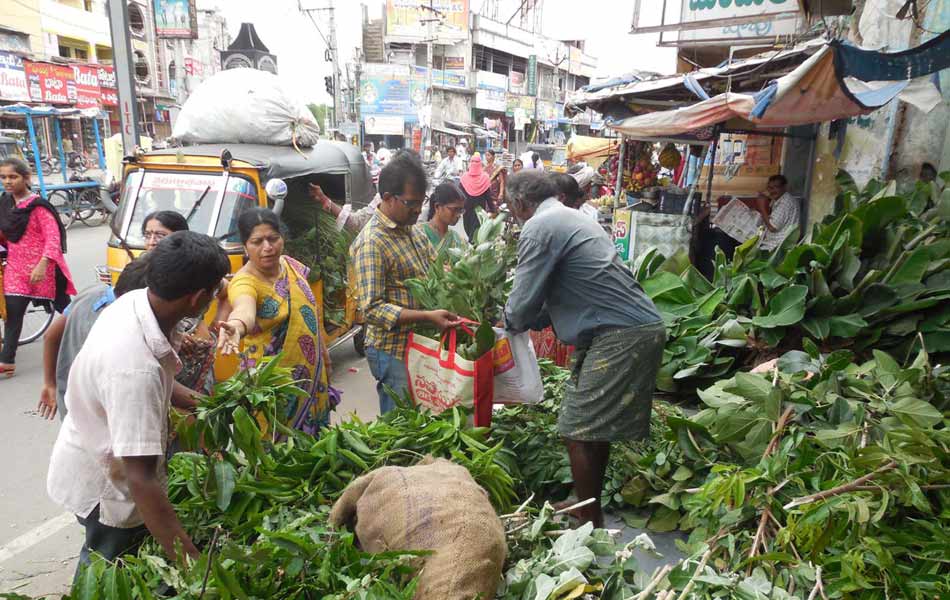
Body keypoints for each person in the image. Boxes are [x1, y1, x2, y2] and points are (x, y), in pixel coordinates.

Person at [47, 231, 229, 577]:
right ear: (198, 297)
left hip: (96, 449)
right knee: (106, 568)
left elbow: (164, 380)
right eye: (215, 291)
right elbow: (140, 480)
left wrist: (208, 405)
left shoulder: (139, 302)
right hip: (104, 485)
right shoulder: (134, 369)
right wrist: (194, 565)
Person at [503, 171, 665, 529]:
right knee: (592, 428)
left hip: (620, 333)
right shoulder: (570, 216)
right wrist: (534, 317)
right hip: (625, 329)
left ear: (519, 203)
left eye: (509, 205)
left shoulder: (540, 226)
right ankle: (586, 502)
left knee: (575, 428)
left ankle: (588, 516)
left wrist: (505, 322)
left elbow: (521, 304)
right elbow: (567, 288)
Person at [350, 150, 461, 413]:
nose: (418, 210)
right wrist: (426, 315)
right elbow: (373, 309)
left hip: (420, 344)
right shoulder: (372, 243)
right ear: (387, 198)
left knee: (423, 417)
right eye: (411, 203)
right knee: (401, 427)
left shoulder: (412, 230)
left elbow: (436, 269)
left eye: (421, 202)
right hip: (392, 351)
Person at [217, 208, 338, 434]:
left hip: (312, 376)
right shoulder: (245, 282)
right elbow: (244, 309)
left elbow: (310, 312)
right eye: (257, 241)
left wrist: (325, 356)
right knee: (279, 448)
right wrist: (236, 326)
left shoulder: (291, 266)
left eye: (273, 238)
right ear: (245, 246)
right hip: (274, 386)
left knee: (318, 448)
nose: (267, 247)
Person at [0, 157, 76, 377]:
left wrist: (43, 265)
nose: (7, 181)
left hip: (44, 268)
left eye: (13, 177)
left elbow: (53, 239)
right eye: (3, 177)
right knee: (13, 313)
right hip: (15, 267)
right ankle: (7, 361)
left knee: (66, 310)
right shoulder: (5, 204)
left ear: (26, 178)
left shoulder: (38, 207)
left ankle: (89, 333)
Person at [142, 209, 221, 396]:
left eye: (160, 235)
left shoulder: (198, 271)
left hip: (198, 367)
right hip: (166, 371)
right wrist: (174, 334)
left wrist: (216, 326)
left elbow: (225, 290)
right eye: (147, 235)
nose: (152, 241)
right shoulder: (138, 273)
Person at [753, 174, 799, 251]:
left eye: (776, 187)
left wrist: (762, 208)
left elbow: (772, 227)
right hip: (771, 242)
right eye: (770, 188)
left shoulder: (785, 203)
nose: (772, 191)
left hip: (776, 247)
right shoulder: (778, 199)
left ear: (784, 187)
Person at [419, 182, 468, 254]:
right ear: (437, 207)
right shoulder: (419, 234)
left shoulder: (459, 240)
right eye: (454, 209)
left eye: (461, 210)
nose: (458, 215)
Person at [459, 153, 494, 240]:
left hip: (467, 209)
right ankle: (473, 247)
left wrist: (458, 209)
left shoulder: (464, 178)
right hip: (479, 209)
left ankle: (471, 245)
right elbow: (488, 196)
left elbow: (459, 195)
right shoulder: (485, 178)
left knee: (469, 228)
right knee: (475, 231)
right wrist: (493, 210)